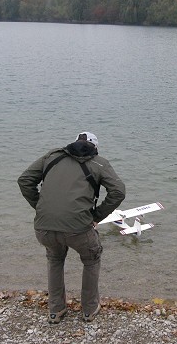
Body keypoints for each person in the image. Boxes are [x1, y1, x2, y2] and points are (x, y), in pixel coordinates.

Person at [18, 132, 125, 324]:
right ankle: (89, 310)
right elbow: (118, 191)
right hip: (79, 229)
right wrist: (97, 216)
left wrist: (41, 207)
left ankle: (56, 311)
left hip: (45, 228)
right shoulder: (99, 163)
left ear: (74, 142)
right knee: (91, 259)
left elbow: (24, 180)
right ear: (95, 148)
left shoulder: (51, 156)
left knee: (55, 260)